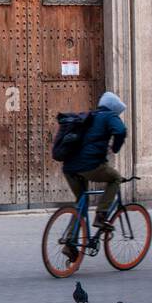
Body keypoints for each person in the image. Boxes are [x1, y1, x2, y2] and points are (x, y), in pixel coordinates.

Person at [63, 91, 128, 237]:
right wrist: (115, 148)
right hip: (89, 164)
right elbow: (121, 131)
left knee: (81, 202)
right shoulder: (110, 115)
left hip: (70, 167)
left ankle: (70, 242)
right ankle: (101, 215)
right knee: (115, 178)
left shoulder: (90, 116)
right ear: (113, 108)